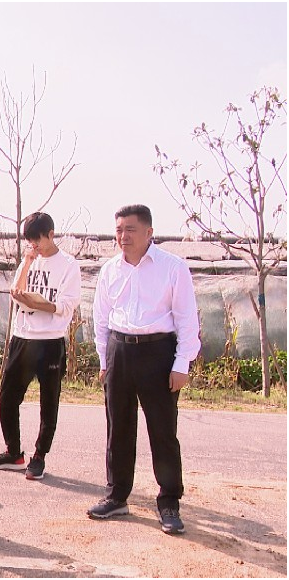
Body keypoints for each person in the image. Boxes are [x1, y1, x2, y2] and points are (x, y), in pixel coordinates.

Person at [88, 204, 200, 535]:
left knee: (162, 431)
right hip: (120, 352)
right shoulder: (110, 270)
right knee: (118, 428)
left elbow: (186, 319)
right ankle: (117, 495)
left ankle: (169, 502)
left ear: (149, 232)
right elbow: (101, 319)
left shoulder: (173, 268)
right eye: (118, 230)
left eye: (130, 229)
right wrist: (104, 360)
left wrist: (182, 363)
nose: (123, 236)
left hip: (158, 353)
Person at [0, 212, 81, 480]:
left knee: (48, 402)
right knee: (7, 397)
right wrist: (26, 263)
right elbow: (16, 293)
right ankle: (13, 452)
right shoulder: (30, 259)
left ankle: (39, 457)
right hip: (22, 338)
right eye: (30, 241)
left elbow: (66, 306)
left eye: (38, 240)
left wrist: (38, 304)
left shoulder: (68, 265)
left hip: (50, 341)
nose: (34, 246)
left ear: (51, 234)